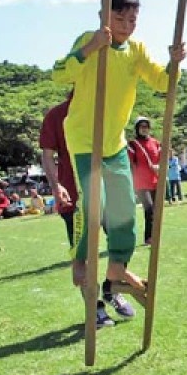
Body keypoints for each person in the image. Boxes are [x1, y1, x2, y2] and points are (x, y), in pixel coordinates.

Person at [51, 0, 186, 292]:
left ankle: (116, 273)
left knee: (125, 208)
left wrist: (174, 62)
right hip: (85, 140)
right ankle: (80, 262)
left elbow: (164, 83)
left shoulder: (136, 51)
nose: (126, 27)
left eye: (132, 22)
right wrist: (91, 48)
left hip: (114, 143)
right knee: (94, 205)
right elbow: (59, 73)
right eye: (120, 20)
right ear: (103, 15)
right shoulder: (90, 40)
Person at [40, 92, 131, 327]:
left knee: (120, 239)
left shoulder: (103, 109)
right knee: (84, 253)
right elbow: (48, 155)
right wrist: (55, 184)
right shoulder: (57, 115)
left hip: (107, 190)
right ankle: (95, 306)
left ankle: (112, 288)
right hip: (74, 195)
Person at [128, 116, 162, 245]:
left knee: (157, 209)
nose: (144, 129)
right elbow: (129, 163)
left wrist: (159, 166)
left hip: (155, 180)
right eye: (141, 126)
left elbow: (162, 159)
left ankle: (155, 236)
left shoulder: (156, 143)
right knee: (149, 209)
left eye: (146, 126)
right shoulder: (133, 144)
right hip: (141, 183)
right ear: (137, 129)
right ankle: (149, 238)